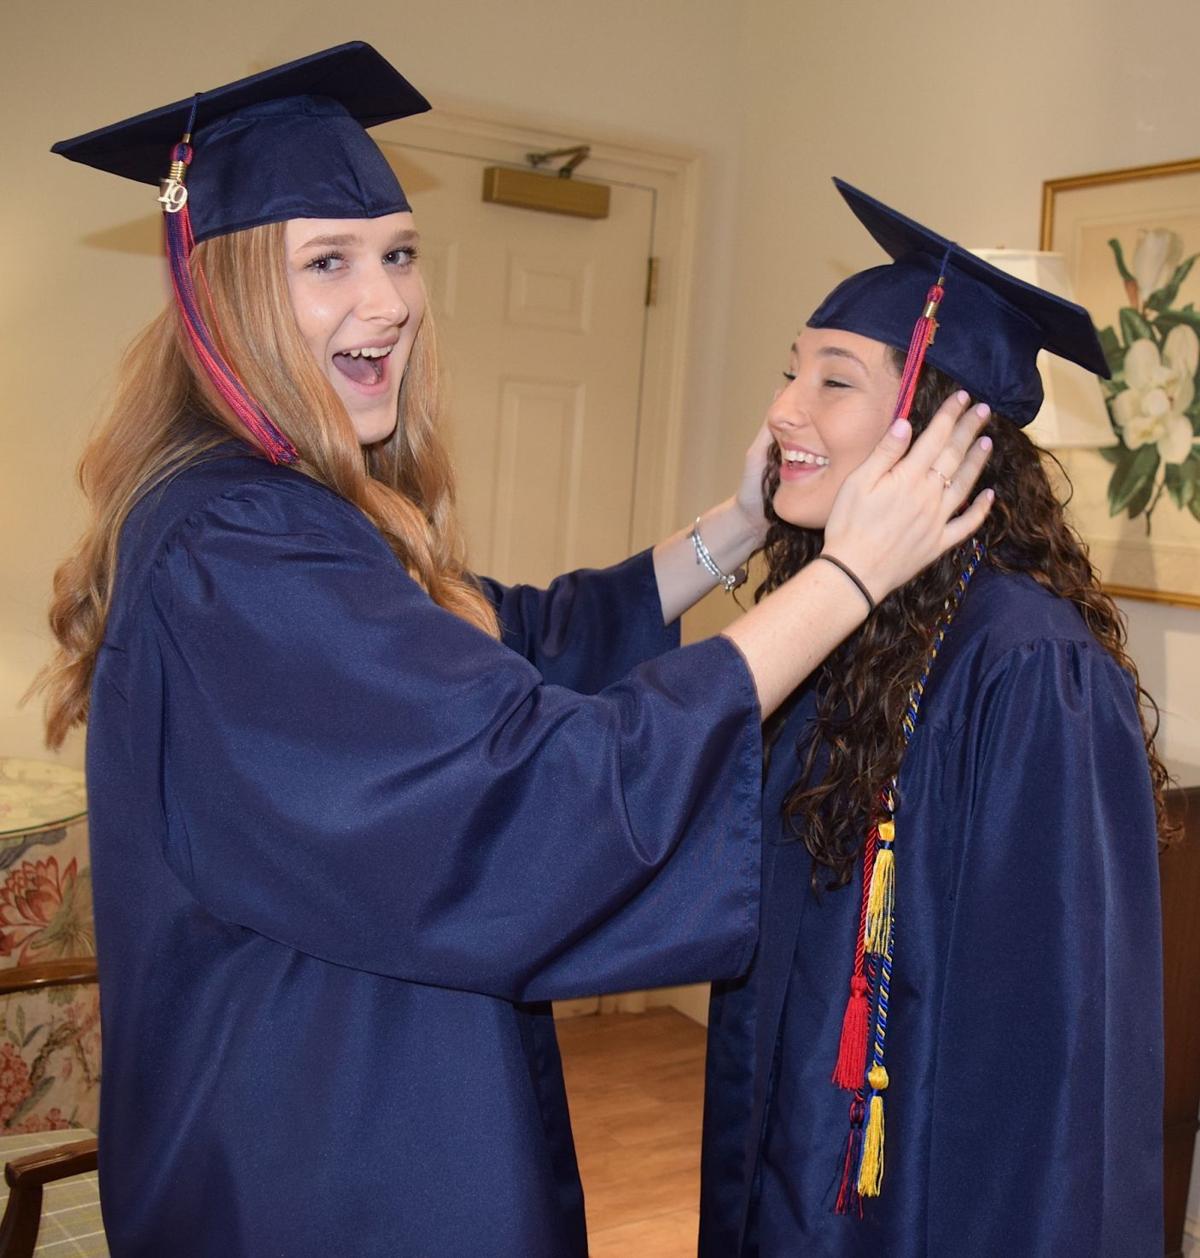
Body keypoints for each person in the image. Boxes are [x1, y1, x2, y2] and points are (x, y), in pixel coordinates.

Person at [40, 48, 991, 1257]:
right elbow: (525, 783)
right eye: (327, 261)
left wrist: (736, 527)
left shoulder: (287, 513)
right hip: (320, 1155)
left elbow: (508, 642)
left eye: (397, 252)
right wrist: (852, 576)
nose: (385, 300)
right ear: (225, 296)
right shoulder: (238, 546)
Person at [699, 179, 1170, 1258]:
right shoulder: (840, 619)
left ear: (940, 422)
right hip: (791, 1153)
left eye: (834, 380)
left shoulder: (1028, 663)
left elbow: (1053, 1045)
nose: (782, 411)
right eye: (789, 371)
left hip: (922, 1187)